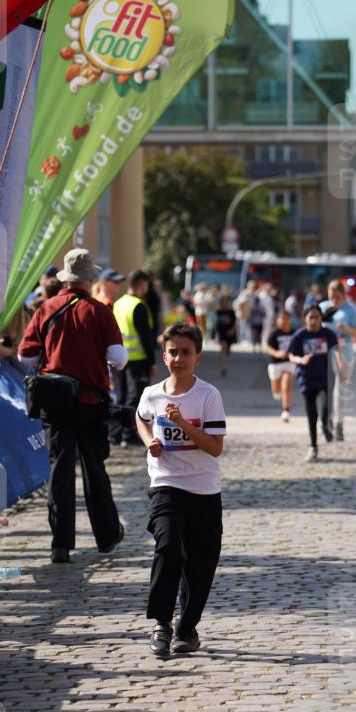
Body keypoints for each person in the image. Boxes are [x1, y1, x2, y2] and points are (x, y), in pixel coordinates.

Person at [18, 248, 128, 563]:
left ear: (66, 278)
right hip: (91, 402)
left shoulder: (45, 308)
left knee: (59, 470)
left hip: (54, 402)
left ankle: (60, 543)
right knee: (94, 468)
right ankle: (106, 536)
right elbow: (119, 359)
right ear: (90, 278)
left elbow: (26, 357)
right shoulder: (99, 311)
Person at [136, 323, 226, 659]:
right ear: (164, 356)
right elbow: (141, 418)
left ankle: (186, 628)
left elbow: (215, 448)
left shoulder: (208, 396)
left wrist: (183, 425)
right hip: (166, 484)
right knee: (168, 546)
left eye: (185, 353)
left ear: (198, 357)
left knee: (200, 563)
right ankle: (161, 623)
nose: (179, 359)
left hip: (203, 488)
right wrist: (150, 441)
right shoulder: (152, 394)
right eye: (173, 352)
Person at [288, 305, 339, 461]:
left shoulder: (328, 334)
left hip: (325, 378)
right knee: (312, 414)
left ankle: (325, 424)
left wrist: (342, 366)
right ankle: (313, 446)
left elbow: (337, 351)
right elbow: (291, 355)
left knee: (325, 409)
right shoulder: (299, 336)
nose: (314, 321)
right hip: (307, 379)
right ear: (305, 319)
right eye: (311, 317)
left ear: (321, 318)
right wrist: (301, 360)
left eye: (317, 317)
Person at [113, 269, 157, 447]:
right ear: (141, 284)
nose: (147, 288)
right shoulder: (138, 306)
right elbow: (146, 337)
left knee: (122, 396)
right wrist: (152, 361)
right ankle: (129, 433)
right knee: (136, 397)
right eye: (146, 284)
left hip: (121, 358)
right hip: (138, 359)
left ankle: (116, 433)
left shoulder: (119, 303)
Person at [324, 279, 356, 440]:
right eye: (331, 297)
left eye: (337, 297)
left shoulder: (351, 309)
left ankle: (339, 424)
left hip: (345, 354)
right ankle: (327, 419)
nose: (334, 300)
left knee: (341, 390)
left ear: (343, 295)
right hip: (324, 355)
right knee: (326, 388)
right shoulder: (323, 307)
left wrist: (346, 328)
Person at [265, 310, 295, 423]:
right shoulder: (275, 333)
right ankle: (277, 393)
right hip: (275, 364)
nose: (284, 321)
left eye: (286, 318)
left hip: (289, 363)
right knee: (277, 391)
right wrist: (276, 353)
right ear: (277, 320)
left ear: (290, 320)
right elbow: (267, 347)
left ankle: (286, 411)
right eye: (282, 318)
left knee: (286, 386)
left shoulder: (294, 333)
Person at [212, 293, 237, 376]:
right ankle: (223, 368)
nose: (225, 303)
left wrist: (232, 330)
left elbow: (234, 323)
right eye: (223, 302)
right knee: (224, 348)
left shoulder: (231, 312)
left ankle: (222, 361)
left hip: (229, 333)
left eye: (226, 302)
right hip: (221, 332)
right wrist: (214, 333)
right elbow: (215, 323)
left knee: (227, 350)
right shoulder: (218, 312)